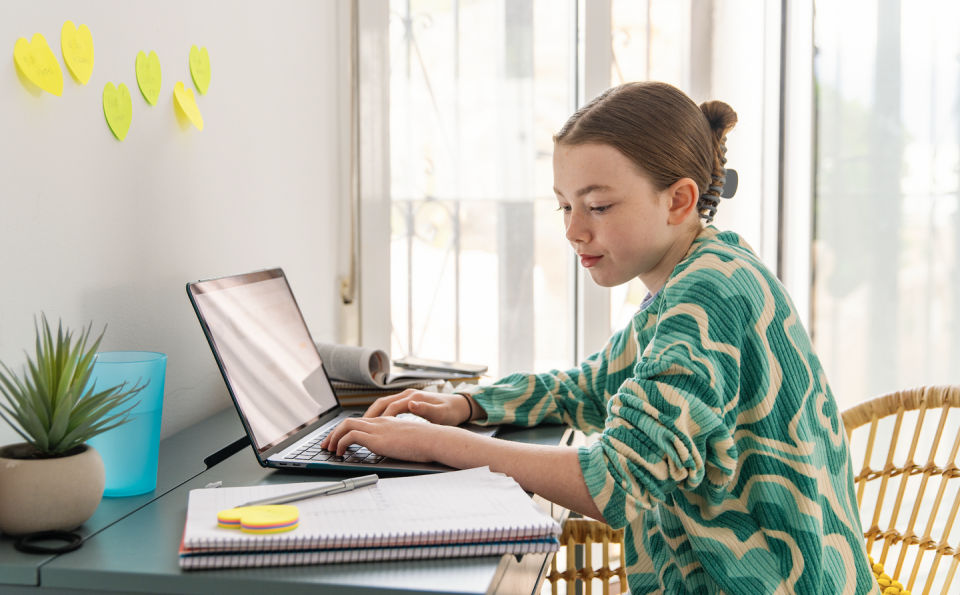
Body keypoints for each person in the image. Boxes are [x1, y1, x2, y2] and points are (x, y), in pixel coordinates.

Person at [322, 81, 878, 595]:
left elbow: (617, 481)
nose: (572, 230)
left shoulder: (711, 293)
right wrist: (467, 404)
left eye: (599, 206)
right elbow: (590, 387)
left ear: (679, 200)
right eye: (565, 205)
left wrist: (432, 444)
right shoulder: (690, 277)